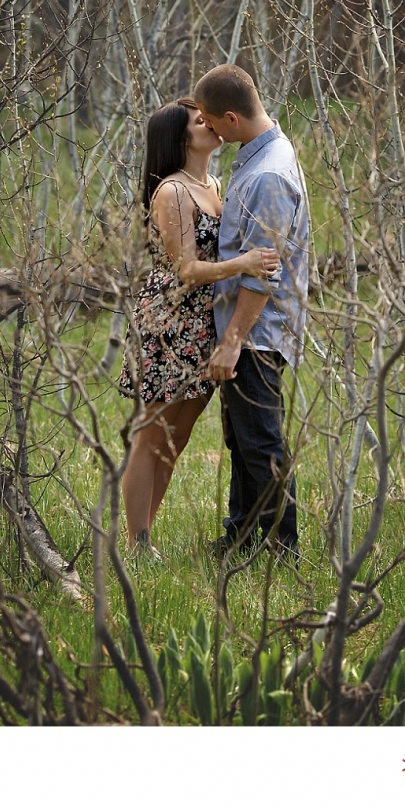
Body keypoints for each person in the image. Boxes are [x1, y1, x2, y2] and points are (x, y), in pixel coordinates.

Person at [118, 97, 280, 557]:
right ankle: (137, 543)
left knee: (178, 436)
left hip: (203, 324)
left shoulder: (213, 183)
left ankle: (143, 537)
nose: (208, 122)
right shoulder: (172, 191)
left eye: (207, 116)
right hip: (169, 323)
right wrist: (244, 262)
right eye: (198, 120)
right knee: (153, 433)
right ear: (181, 136)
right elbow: (186, 269)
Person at [193, 64, 309, 564]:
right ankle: (241, 533)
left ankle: (282, 548)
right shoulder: (255, 156)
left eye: (212, 123)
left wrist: (233, 339)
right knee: (242, 439)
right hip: (247, 329)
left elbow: (264, 272)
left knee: (261, 442)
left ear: (232, 117)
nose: (210, 132)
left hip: (257, 333)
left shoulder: (268, 175)